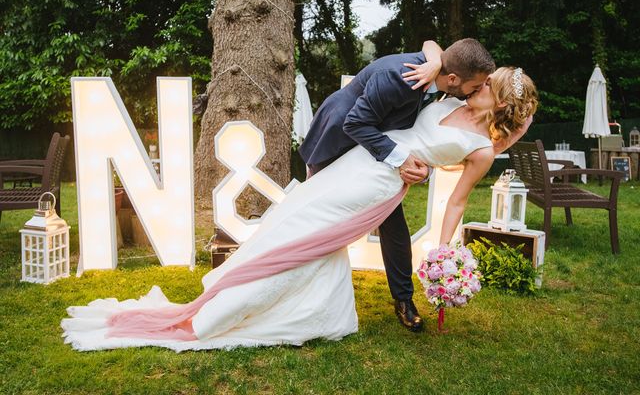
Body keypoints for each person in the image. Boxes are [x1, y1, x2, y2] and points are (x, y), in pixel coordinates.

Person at [61, 67, 538, 352]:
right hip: (362, 157)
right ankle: (308, 308)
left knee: (312, 234)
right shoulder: (446, 97)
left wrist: (440, 249)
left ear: (498, 99)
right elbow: (428, 70)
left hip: (378, 182)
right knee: (293, 217)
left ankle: (226, 312)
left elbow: (456, 201)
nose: (481, 83)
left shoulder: (482, 150)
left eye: (490, 84)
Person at [299, 38, 497, 332]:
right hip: (340, 137)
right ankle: (303, 285)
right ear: (454, 79)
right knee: (317, 215)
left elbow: (426, 135)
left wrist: (424, 170)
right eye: (476, 86)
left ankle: (403, 299)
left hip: (377, 153)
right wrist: (402, 159)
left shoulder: (441, 81)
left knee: (394, 226)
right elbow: (356, 122)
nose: (479, 90)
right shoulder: (402, 78)